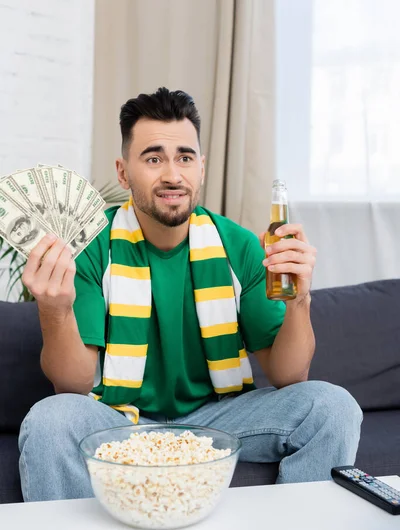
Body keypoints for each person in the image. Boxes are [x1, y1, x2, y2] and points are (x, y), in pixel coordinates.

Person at [19, 87, 362, 502]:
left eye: (184, 157)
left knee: (331, 405)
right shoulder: (94, 246)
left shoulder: (239, 245)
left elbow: (290, 377)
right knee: (50, 419)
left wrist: (300, 300)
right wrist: (54, 311)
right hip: (119, 419)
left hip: (219, 420)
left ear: (201, 168)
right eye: (152, 158)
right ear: (123, 172)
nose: (172, 174)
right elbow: (70, 384)